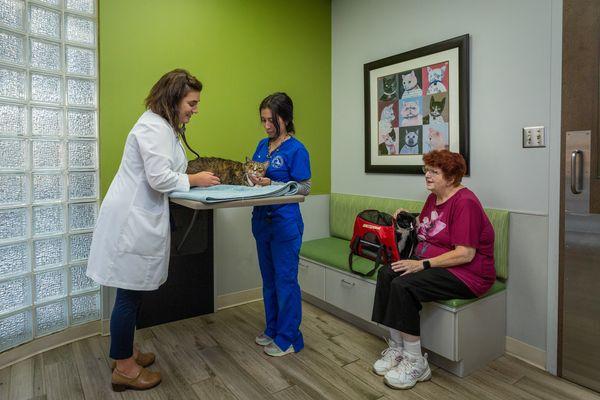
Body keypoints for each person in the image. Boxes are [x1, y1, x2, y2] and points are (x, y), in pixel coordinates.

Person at [86, 69, 220, 392]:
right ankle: (125, 369)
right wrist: (195, 179)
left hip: (138, 218)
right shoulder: (153, 127)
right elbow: (160, 177)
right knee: (129, 294)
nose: (195, 109)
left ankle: (126, 351)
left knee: (133, 290)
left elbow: (166, 170)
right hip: (131, 222)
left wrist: (187, 177)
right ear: (174, 99)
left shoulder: (162, 127)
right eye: (192, 102)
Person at [371, 149, 495, 390]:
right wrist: (407, 218)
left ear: (451, 178)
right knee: (387, 273)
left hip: (469, 274)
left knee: (404, 284)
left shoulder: (465, 203)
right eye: (426, 170)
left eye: (434, 172)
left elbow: (465, 253)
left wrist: (421, 264)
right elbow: (428, 228)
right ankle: (397, 349)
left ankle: (416, 361)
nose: (427, 176)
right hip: (438, 264)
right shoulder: (433, 197)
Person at [248, 92, 311, 356]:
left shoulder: (297, 149)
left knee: (285, 281)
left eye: (271, 120)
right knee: (269, 280)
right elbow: (254, 172)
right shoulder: (263, 145)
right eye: (263, 120)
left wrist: (271, 184)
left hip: (285, 223)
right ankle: (273, 328)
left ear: (285, 118)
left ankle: (289, 338)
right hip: (262, 221)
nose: (266, 126)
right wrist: (251, 176)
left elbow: (305, 188)